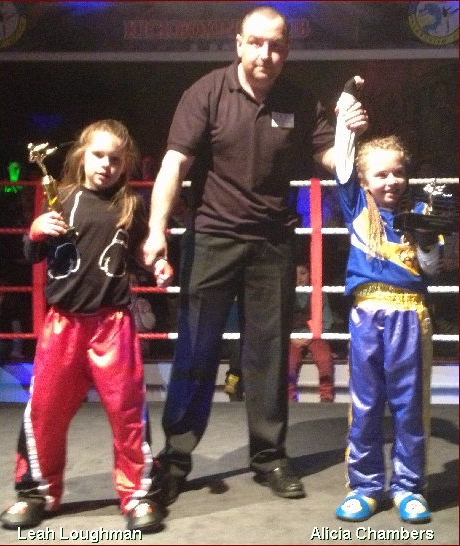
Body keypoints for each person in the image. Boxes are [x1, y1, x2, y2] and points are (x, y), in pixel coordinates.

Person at [142, 6, 368, 505]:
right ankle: (175, 459)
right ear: (239, 44)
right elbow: (174, 164)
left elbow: (333, 159)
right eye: (257, 43)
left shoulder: (300, 99)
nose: (267, 53)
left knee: (267, 353)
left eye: (277, 45)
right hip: (212, 237)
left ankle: (269, 456)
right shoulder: (205, 93)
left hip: (272, 243)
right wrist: (157, 229)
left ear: (286, 49)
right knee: (196, 351)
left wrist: (349, 131)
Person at [0, 119, 164, 532]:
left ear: (125, 164)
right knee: (45, 411)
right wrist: (35, 231)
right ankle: (37, 493)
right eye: (98, 155)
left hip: (113, 324)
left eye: (115, 159)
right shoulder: (62, 197)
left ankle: (137, 494)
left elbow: (142, 253)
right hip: (64, 325)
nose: (106, 165)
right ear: (81, 156)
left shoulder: (131, 205)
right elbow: (32, 253)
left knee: (127, 413)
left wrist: (157, 261)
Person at [333, 78, 441, 524]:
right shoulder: (357, 207)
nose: (391, 180)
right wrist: (345, 108)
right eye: (380, 174)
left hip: (410, 318)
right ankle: (365, 487)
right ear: (363, 179)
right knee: (365, 405)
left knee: (409, 407)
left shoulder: (421, 214)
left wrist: (428, 241)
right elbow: (342, 158)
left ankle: (410, 487)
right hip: (367, 316)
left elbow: (431, 269)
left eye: (398, 172)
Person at [288, 263, 335, 403]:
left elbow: (327, 320)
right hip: (292, 337)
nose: (299, 278)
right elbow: (280, 321)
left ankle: (326, 396)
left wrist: (313, 335)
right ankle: (290, 398)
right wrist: (290, 337)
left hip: (315, 336)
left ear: (310, 274)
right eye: (295, 274)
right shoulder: (285, 294)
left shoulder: (318, 293)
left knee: (324, 358)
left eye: (303, 273)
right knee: (289, 361)